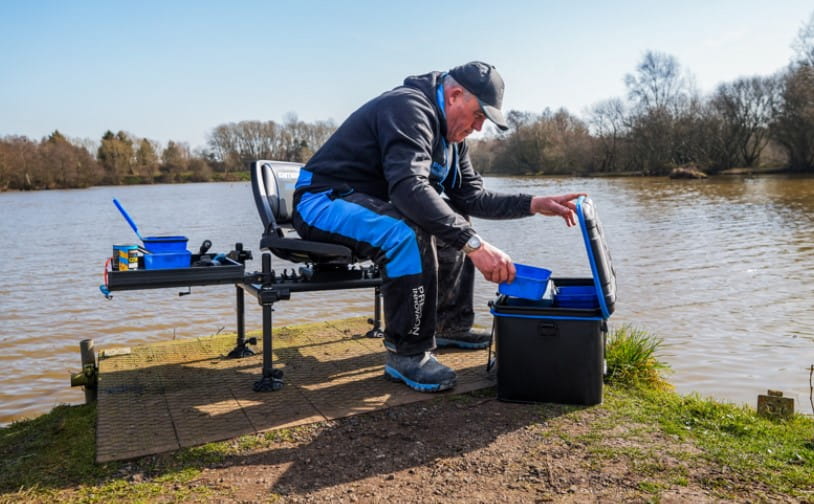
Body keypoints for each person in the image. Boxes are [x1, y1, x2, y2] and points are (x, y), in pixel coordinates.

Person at [292, 61, 585, 393]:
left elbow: (472, 196)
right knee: (403, 233)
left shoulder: (454, 140)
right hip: (322, 202)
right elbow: (407, 187)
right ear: (455, 95)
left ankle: (449, 326)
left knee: (454, 218)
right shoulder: (407, 107)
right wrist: (476, 246)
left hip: (369, 205)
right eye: (478, 116)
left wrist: (533, 203)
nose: (478, 128)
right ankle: (408, 353)